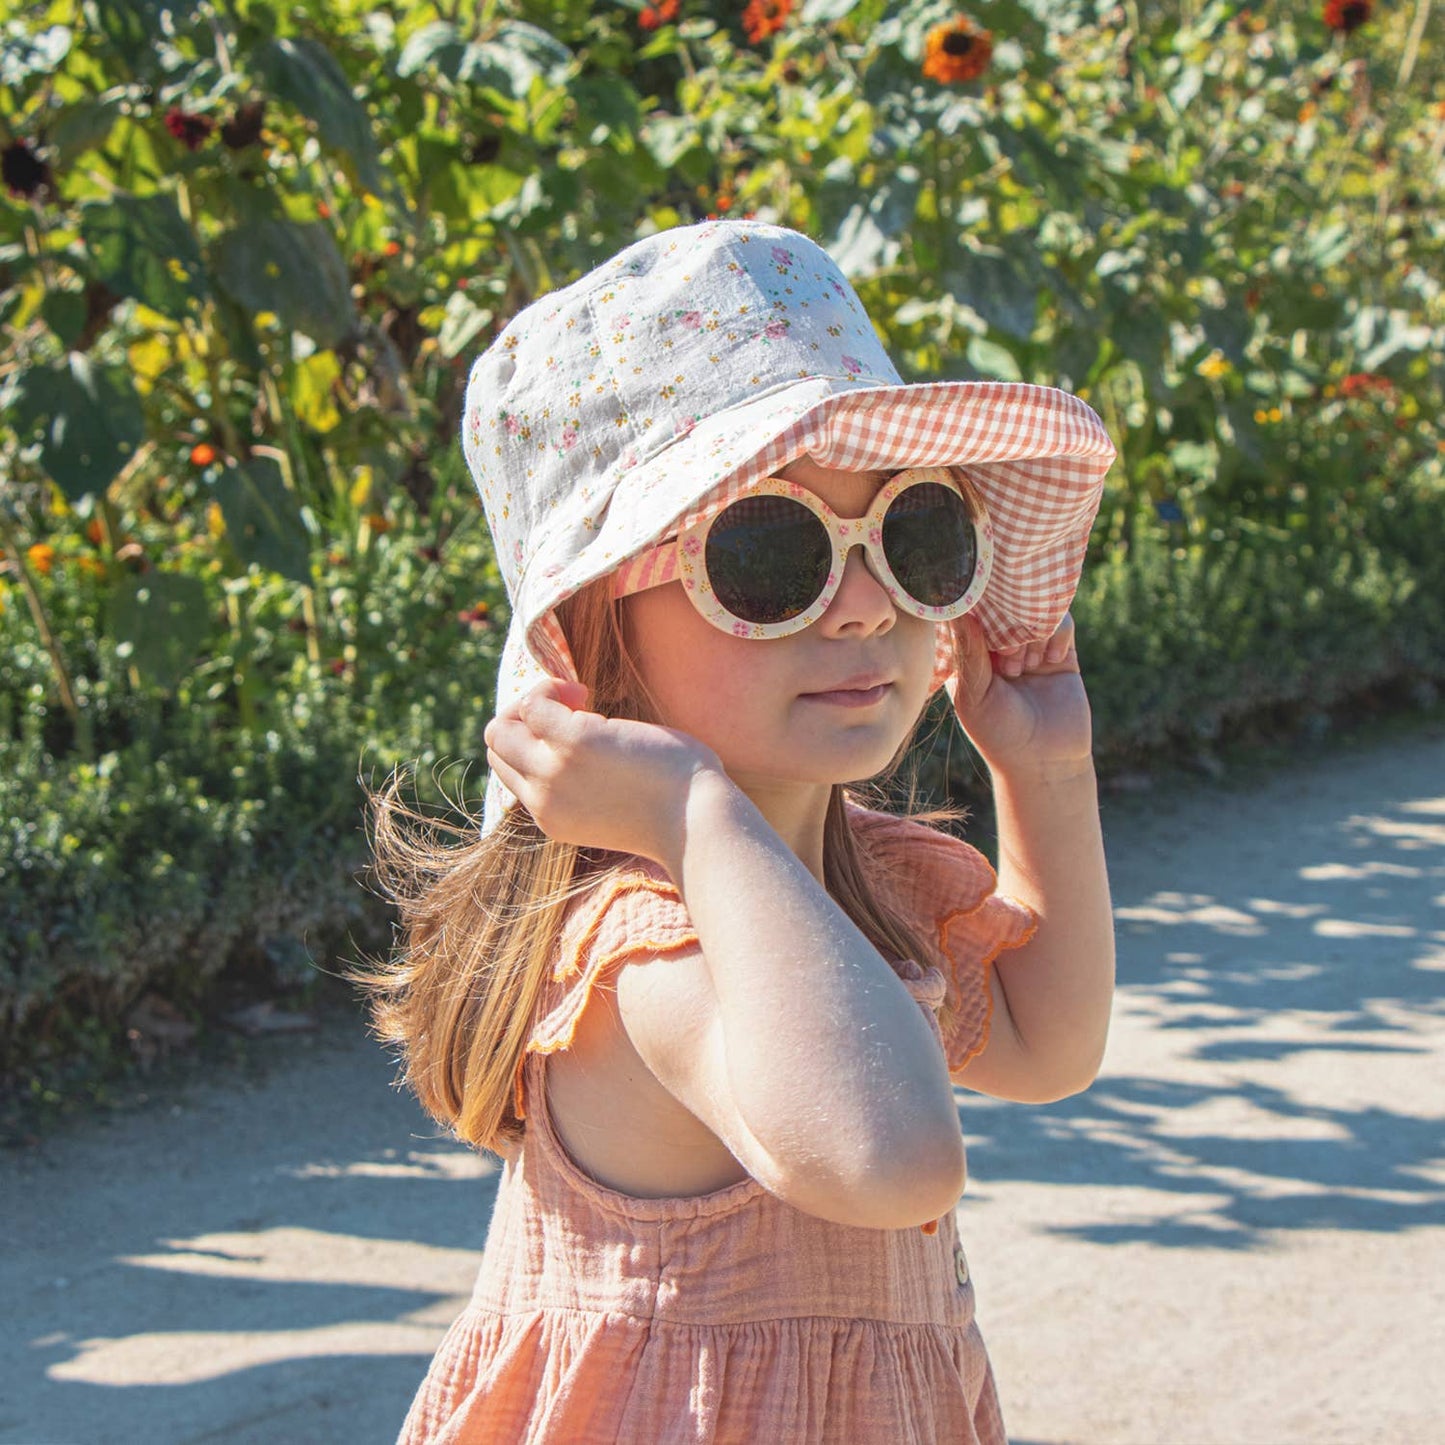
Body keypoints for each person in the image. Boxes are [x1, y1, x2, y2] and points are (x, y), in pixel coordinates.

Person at [356, 219, 1116, 1444]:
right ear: (594, 627)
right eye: (770, 553)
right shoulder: (642, 940)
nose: (868, 603)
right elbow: (889, 1159)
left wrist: (1045, 764)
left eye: (916, 534)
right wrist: (691, 812)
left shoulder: (850, 875)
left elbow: (1042, 1038)